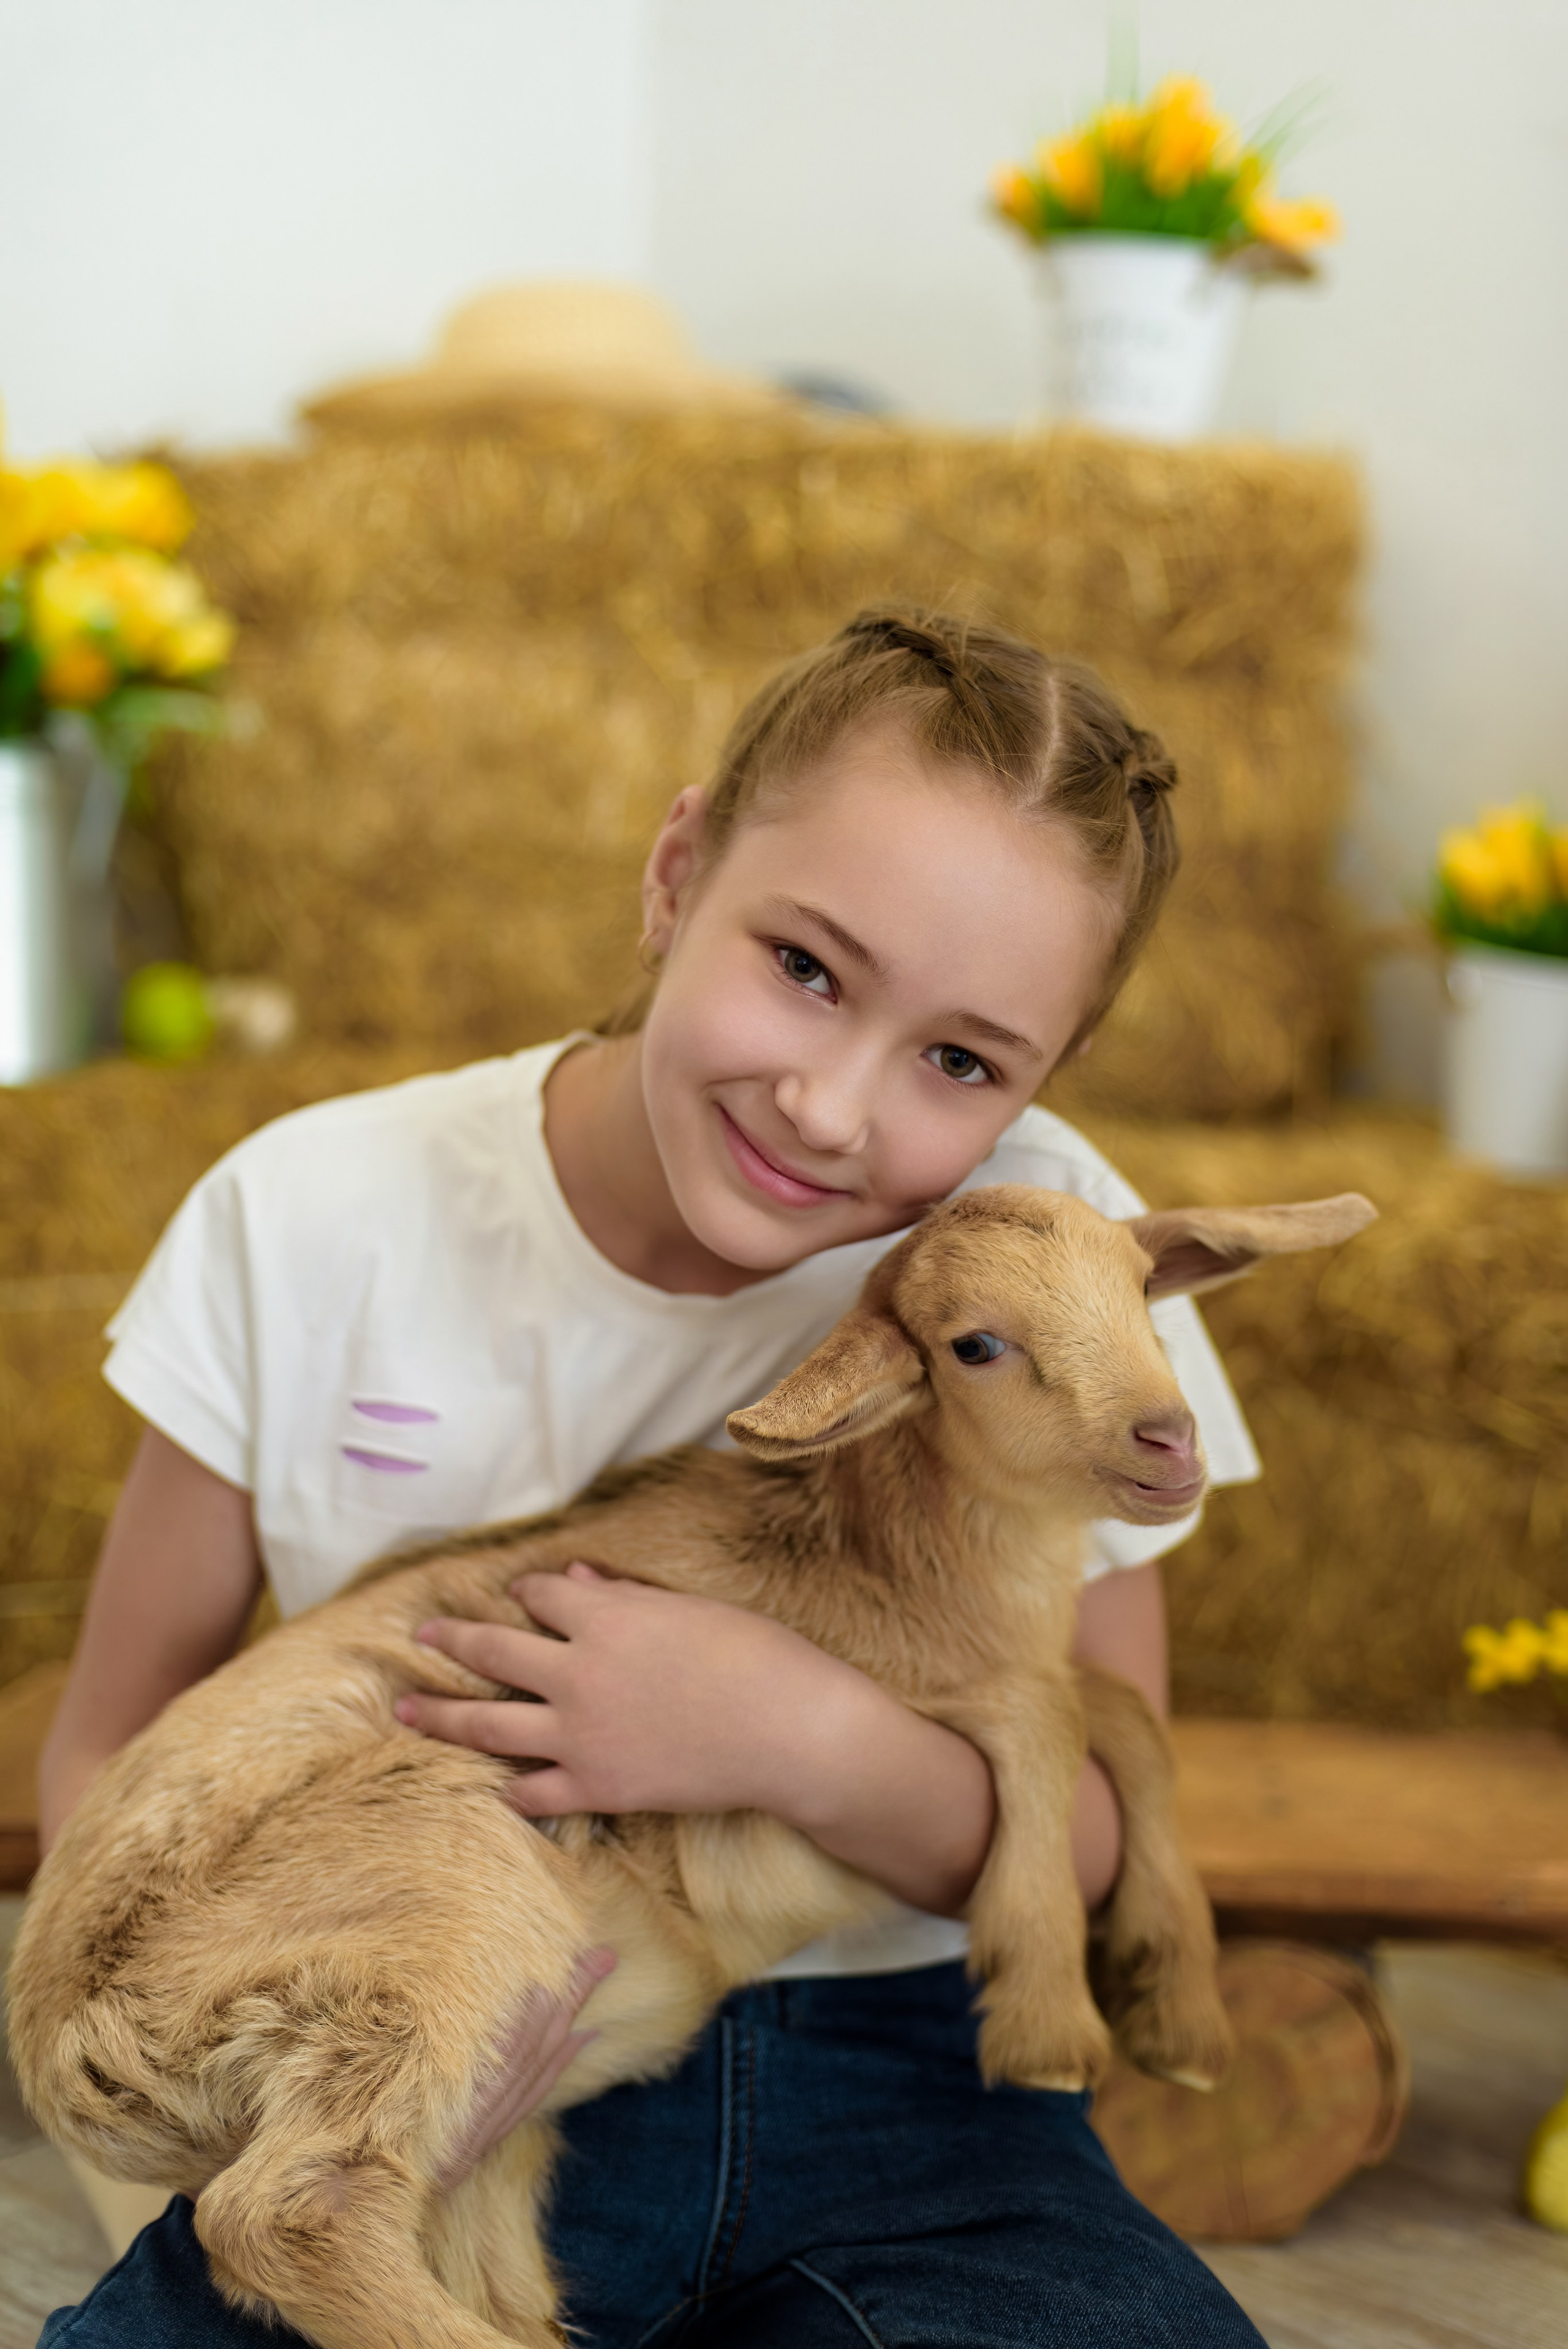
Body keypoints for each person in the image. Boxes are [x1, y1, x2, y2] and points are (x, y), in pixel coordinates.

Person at [37, 610, 1266, 2346]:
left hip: (898, 2077)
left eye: (962, 1061)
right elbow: (115, 1744)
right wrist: (294, 2094)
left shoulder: (1044, 1252)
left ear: (1040, 1094)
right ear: (679, 870)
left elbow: (1085, 1839)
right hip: (427, 2020)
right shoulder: (306, 1212)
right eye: (809, 966)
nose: (833, 1105)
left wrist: (784, 1732)